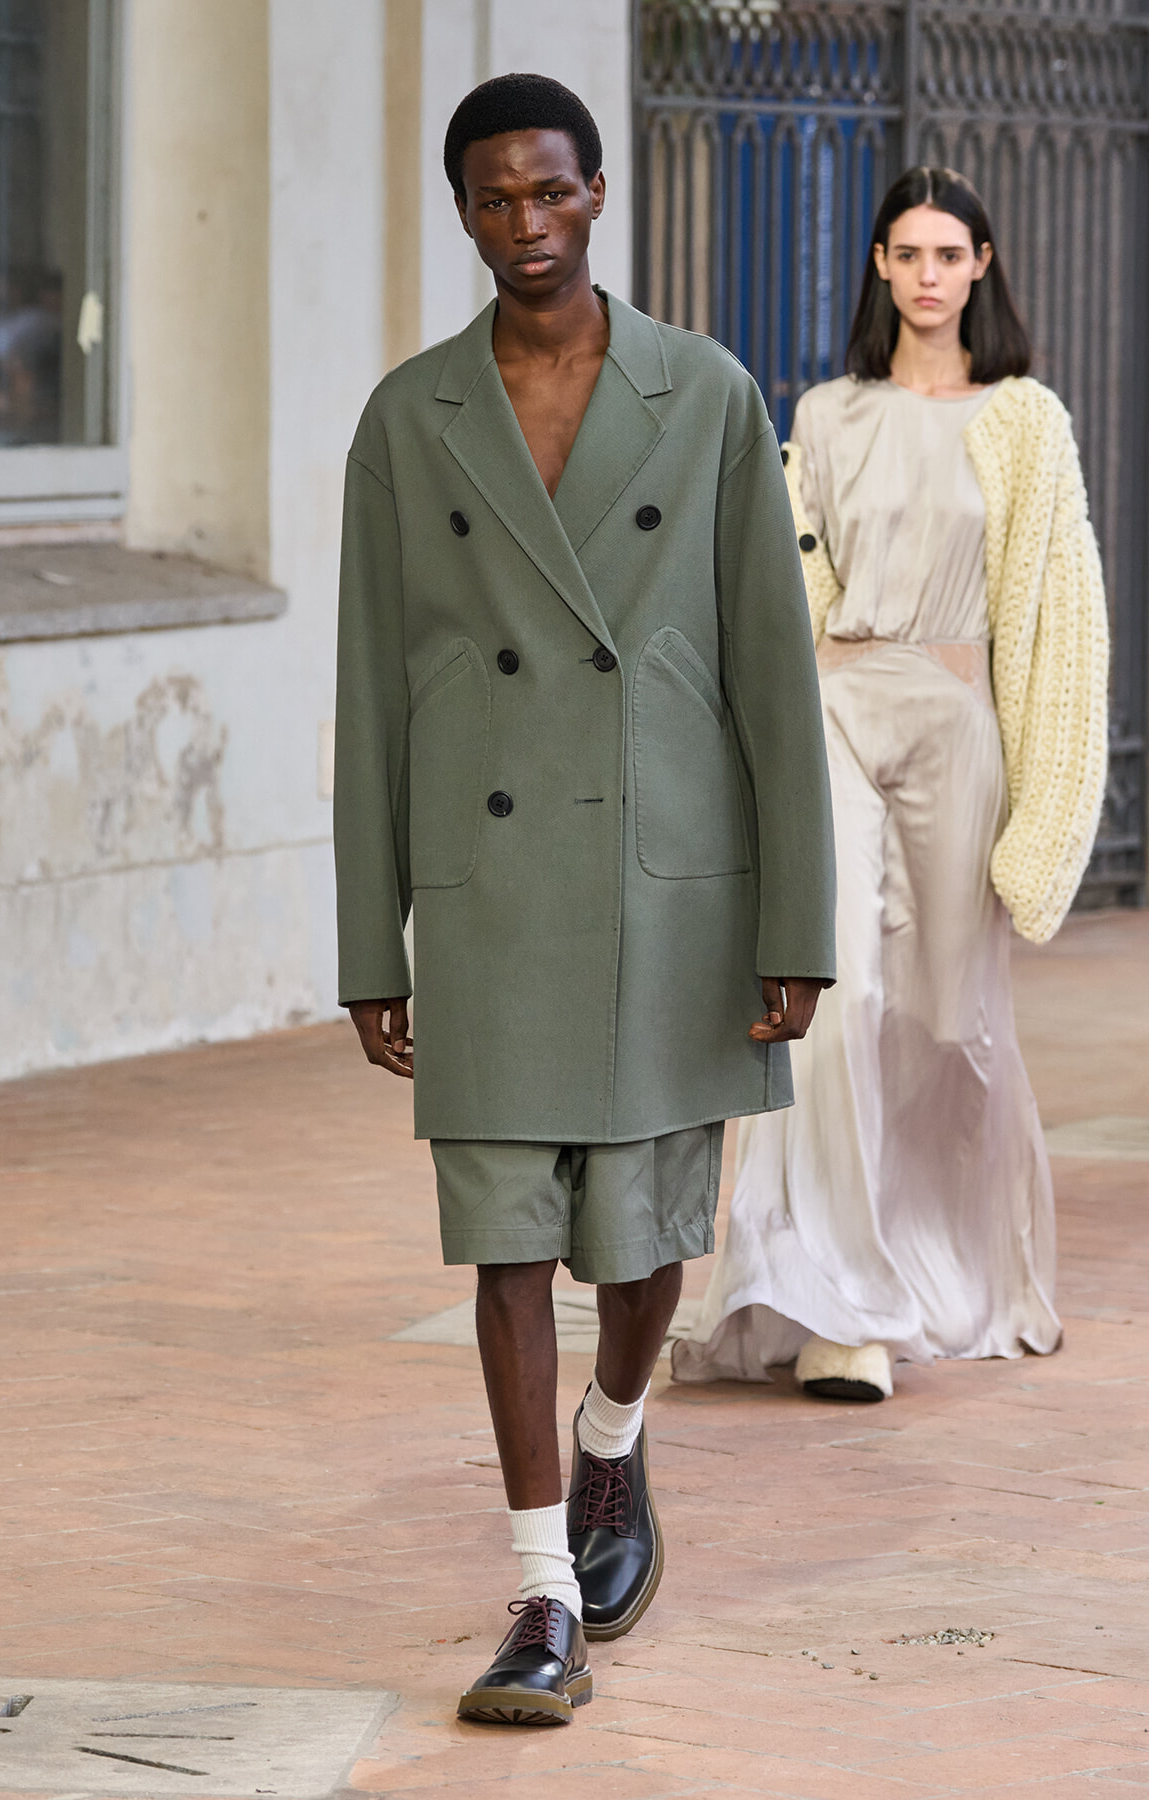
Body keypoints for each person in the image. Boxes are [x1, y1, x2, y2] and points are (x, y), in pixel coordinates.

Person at [334, 73, 835, 1725]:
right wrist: (368, 939)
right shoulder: (409, 418)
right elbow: (371, 693)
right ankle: (542, 1589)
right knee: (502, 1246)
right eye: (495, 200)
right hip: (488, 889)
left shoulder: (708, 394)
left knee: (641, 1242)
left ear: (598, 192)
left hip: (662, 886)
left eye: (551, 192)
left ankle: (615, 1432)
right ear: (465, 214)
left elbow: (771, 673)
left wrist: (794, 924)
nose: (527, 225)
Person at [673, 167, 1109, 1405]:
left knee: (947, 1020)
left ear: (982, 267)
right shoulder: (825, 414)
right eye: (907, 253)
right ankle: (838, 1308)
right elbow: (779, 589)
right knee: (839, 997)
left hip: (959, 724)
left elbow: (1061, 621)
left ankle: (946, 1278)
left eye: (948, 255)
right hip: (838, 710)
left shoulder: (1026, 421)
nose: (927, 275)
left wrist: (1049, 800)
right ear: (877, 264)